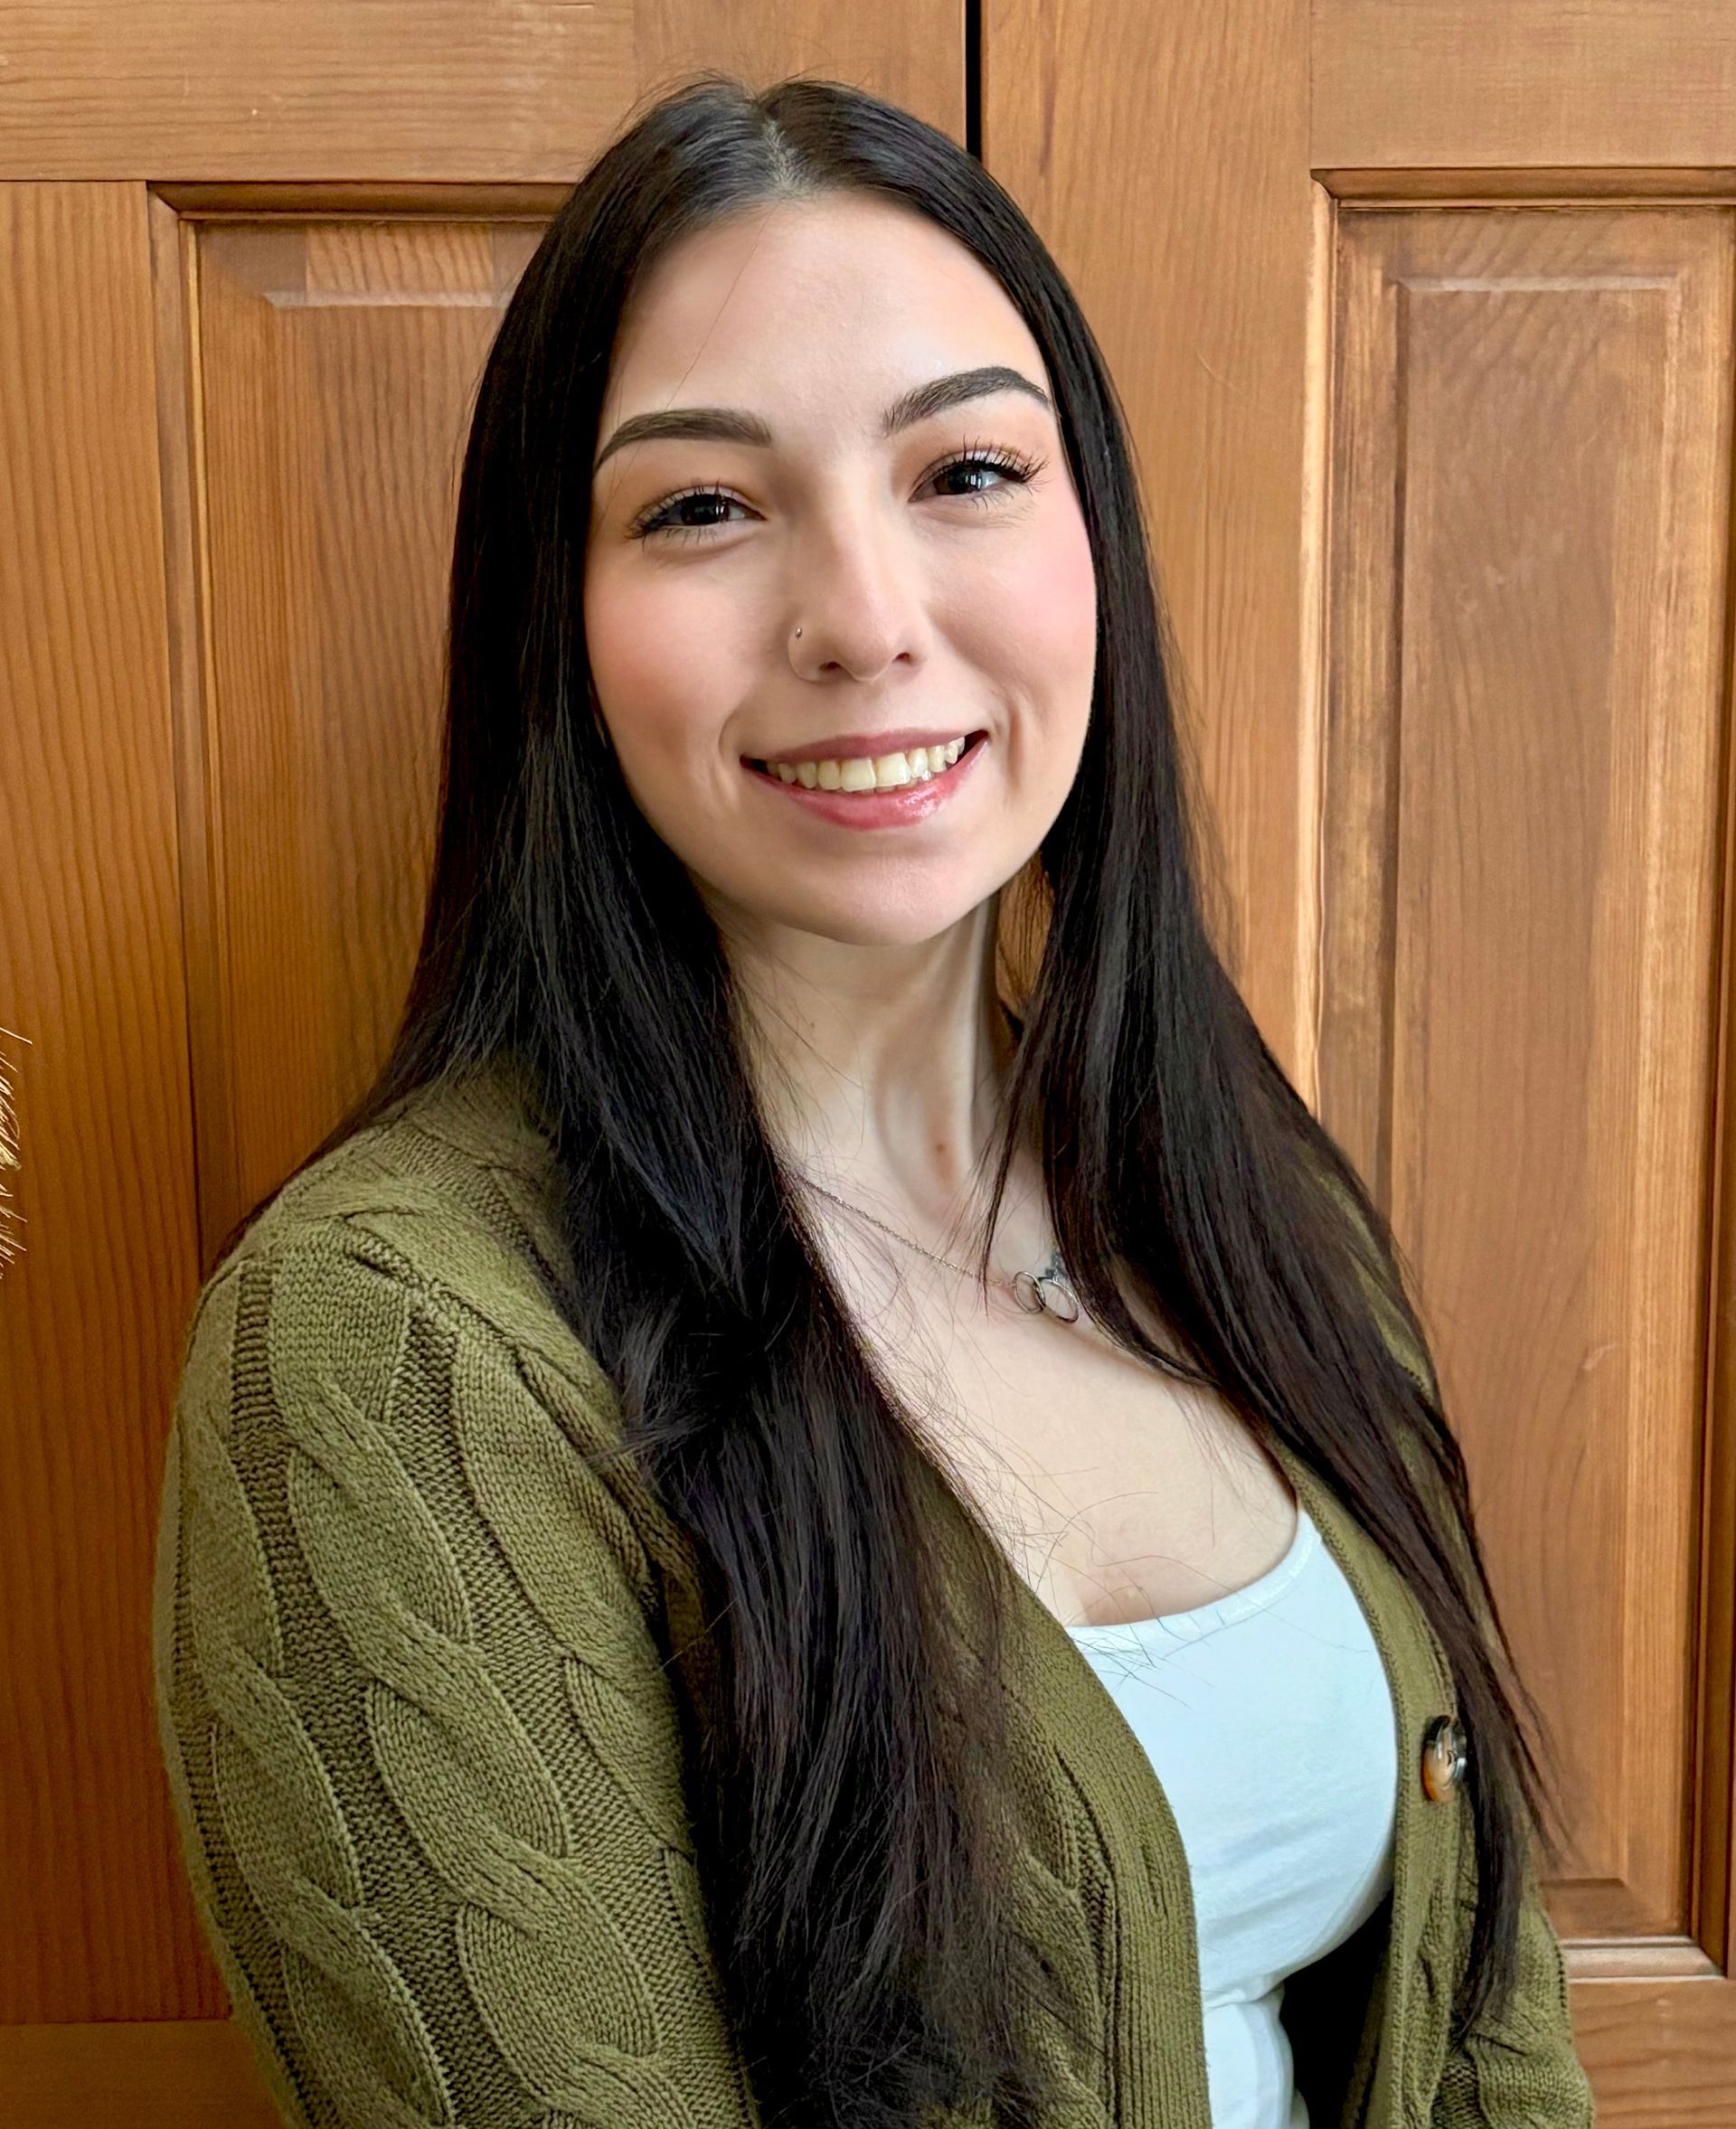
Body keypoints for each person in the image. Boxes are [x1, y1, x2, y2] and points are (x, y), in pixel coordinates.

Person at [152, 71, 1596, 2129]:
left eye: (968, 472)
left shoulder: (1242, 1198)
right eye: (705, 508)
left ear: (1090, 533)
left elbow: (1488, 2032)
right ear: (558, 623)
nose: (865, 619)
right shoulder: (398, 1349)